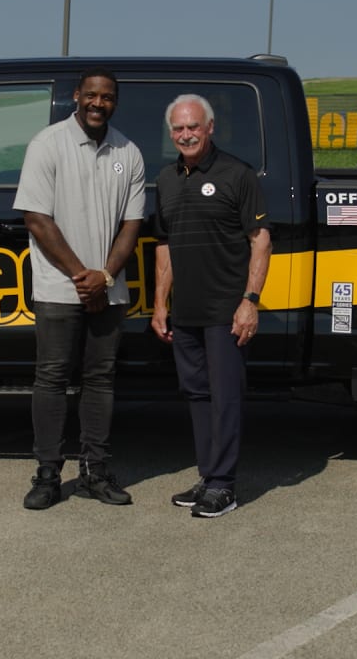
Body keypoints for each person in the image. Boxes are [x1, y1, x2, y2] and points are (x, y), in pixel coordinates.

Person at [11, 67, 145, 510]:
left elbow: (132, 225)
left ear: (115, 102)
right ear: (77, 96)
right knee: (51, 379)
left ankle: (95, 471)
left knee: (100, 380)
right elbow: (36, 219)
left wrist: (103, 277)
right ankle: (48, 474)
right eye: (91, 95)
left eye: (106, 97)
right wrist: (81, 276)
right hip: (57, 287)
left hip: (109, 290)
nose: (97, 103)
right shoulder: (47, 144)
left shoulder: (130, 152)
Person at [150, 94, 271, 519]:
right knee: (197, 395)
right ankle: (208, 476)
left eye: (194, 127)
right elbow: (163, 245)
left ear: (210, 127)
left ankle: (224, 485)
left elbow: (260, 242)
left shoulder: (236, 174)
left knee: (225, 398)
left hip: (226, 311)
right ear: (171, 133)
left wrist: (249, 302)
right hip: (185, 313)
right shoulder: (166, 179)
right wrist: (160, 304)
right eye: (179, 129)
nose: (186, 134)